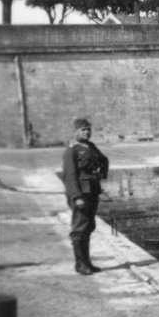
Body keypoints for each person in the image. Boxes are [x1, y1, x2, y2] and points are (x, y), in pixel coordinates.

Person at [62, 117, 109, 275]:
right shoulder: (72, 150)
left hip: (92, 190)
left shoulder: (91, 146)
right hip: (81, 193)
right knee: (79, 228)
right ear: (76, 131)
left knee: (88, 226)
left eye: (88, 129)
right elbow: (70, 176)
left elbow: (104, 160)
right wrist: (76, 197)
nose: (87, 132)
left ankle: (87, 262)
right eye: (83, 129)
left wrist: (101, 174)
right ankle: (80, 264)